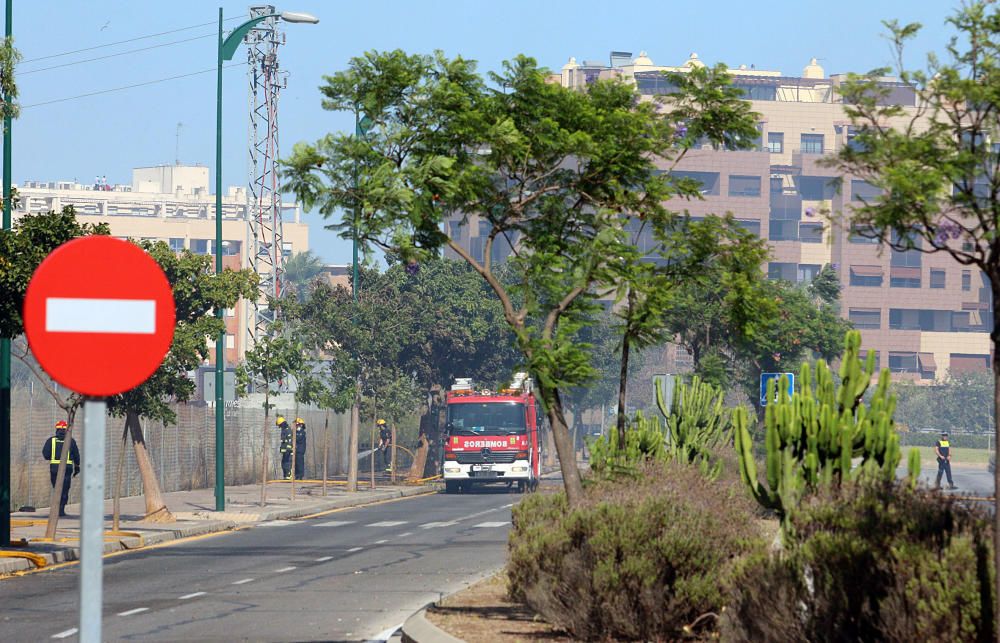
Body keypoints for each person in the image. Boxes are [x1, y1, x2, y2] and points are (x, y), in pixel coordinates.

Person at [42, 420, 80, 517]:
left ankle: (55, 509)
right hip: (67, 468)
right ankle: (61, 510)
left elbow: (45, 454)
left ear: (57, 429)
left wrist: (53, 457)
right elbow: (76, 455)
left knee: (56, 488)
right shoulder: (71, 441)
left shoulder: (51, 440)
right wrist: (77, 467)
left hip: (54, 468)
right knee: (65, 489)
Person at [277, 416, 293, 480]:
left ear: (282, 424)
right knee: (283, 463)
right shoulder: (283, 430)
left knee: (288, 463)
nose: (279, 427)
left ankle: (289, 476)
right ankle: (285, 476)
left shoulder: (288, 430)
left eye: (280, 425)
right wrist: (282, 449)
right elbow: (283, 442)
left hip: (288, 451)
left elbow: (289, 440)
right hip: (285, 451)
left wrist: (288, 450)